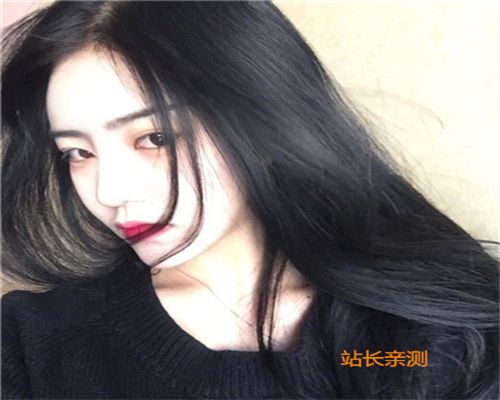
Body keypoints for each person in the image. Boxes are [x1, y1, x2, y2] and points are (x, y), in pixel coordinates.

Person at [1, 1, 498, 399]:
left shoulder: (422, 336)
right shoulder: (30, 346)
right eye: (78, 153)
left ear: (265, 127)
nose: (108, 192)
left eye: (155, 138)